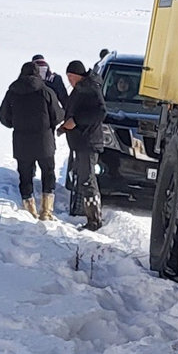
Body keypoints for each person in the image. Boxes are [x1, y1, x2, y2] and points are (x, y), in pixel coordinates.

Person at [0, 60, 63, 219]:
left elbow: (4, 116)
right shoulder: (46, 91)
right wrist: (49, 125)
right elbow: (58, 115)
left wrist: (16, 125)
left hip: (22, 141)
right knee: (48, 173)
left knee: (25, 176)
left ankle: (29, 210)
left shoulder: (12, 92)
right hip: (44, 140)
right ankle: (46, 211)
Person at [60, 59, 108, 230]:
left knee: (88, 181)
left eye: (71, 77)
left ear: (78, 76)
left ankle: (94, 220)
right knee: (84, 180)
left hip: (88, 142)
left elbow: (100, 112)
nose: (69, 81)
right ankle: (91, 218)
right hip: (81, 142)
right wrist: (66, 126)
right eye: (68, 77)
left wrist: (76, 122)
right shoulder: (81, 89)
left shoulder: (90, 88)